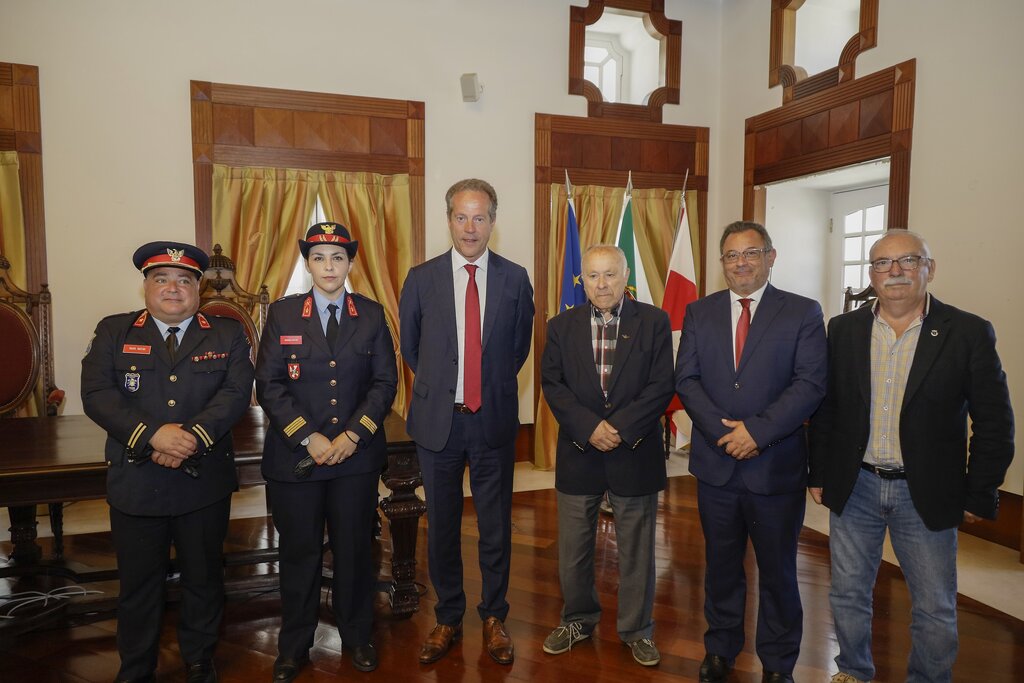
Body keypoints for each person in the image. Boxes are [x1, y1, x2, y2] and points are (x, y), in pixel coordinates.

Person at [808, 230, 1014, 683]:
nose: (895, 271)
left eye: (907, 260)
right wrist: (818, 471)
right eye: (883, 263)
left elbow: (995, 423)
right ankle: (853, 671)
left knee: (935, 606)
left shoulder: (967, 332)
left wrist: (978, 492)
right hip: (855, 485)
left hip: (925, 492)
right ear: (871, 275)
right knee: (847, 593)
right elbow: (829, 408)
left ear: (929, 269)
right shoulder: (844, 329)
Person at [81, 241, 255, 683]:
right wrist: (153, 435)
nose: (173, 289)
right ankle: (136, 667)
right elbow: (98, 394)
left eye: (184, 281)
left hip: (203, 480)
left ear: (198, 290)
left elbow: (235, 394)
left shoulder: (227, 333)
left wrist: (190, 437)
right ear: (145, 285)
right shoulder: (114, 331)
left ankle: (199, 659)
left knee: (203, 577)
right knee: (139, 585)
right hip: (138, 479)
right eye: (162, 279)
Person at [675, 221, 827, 683]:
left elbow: (810, 384)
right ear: (722, 262)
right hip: (716, 466)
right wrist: (726, 434)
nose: (741, 263)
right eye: (731, 255)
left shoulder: (802, 312)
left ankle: (778, 663)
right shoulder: (700, 313)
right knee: (721, 566)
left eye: (751, 253)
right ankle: (720, 648)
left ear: (771, 257)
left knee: (779, 571)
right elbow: (686, 380)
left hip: (774, 467)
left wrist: (756, 433)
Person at [399, 178, 534, 665]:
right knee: (443, 525)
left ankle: (494, 616)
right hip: (439, 424)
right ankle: (448, 616)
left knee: (496, 524)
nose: (470, 227)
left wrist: (485, 383)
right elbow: (411, 349)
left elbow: (518, 349)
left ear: (493, 222)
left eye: (480, 217)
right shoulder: (421, 277)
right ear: (448, 219)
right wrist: (447, 387)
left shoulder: (516, 278)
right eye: (461, 216)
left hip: (493, 420)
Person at [255, 222, 398, 679]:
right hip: (297, 458)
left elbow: (384, 384)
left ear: (350, 264)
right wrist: (308, 436)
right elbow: (270, 386)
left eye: (338, 257)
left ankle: (357, 637)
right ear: (308, 263)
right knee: (299, 555)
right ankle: (294, 647)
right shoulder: (282, 315)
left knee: (355, 552)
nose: (329, 266)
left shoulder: (372, 315)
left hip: (354, 460)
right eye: (319, 257)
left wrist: (353, 435)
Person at [539, 245, 675, 667]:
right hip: (580, 450)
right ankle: (578, 618)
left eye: (610, 275)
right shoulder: (561, 325)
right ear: (583, 279)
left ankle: (637, 629)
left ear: (625, 276)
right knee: (574, 549)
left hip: (634, 451)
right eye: (593, 276)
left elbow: (661, 385)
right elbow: (552, 383)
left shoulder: (653, 322)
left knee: (637, 550)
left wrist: (619, 429)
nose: (601, 284)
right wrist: (589, 428)